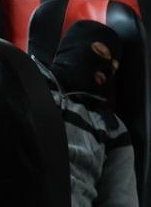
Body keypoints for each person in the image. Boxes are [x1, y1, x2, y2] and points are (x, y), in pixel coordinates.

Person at [37, 20, 138, 207]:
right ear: (73, 45)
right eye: (100, 53)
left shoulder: (112, 128)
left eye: (113, 69)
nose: (106, 71)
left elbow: (121, 200)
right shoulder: (25, 79)